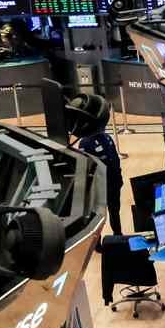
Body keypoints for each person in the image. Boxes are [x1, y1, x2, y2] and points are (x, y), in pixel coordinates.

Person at [68, 95, 123, 237]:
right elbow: (86, 169)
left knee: (115, 212)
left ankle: (118, 235)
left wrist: (119, 179)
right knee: (97, 217)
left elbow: (114, 159)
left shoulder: (107, 137)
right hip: (99, 189)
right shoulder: (85, 143)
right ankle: (96, 241)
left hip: (114, 184)